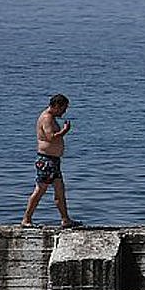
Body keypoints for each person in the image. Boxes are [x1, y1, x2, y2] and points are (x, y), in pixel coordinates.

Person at [22, 94, 82, 228]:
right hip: (46, 161)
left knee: (60, 191)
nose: (64, 112)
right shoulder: (47, 118)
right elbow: (50, 138)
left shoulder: (51, 117)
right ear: (56, 106)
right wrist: (65, 131)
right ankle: (26, 219)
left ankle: (65, 220)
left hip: (53, 161)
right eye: (63, 108)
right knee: (40, 190)